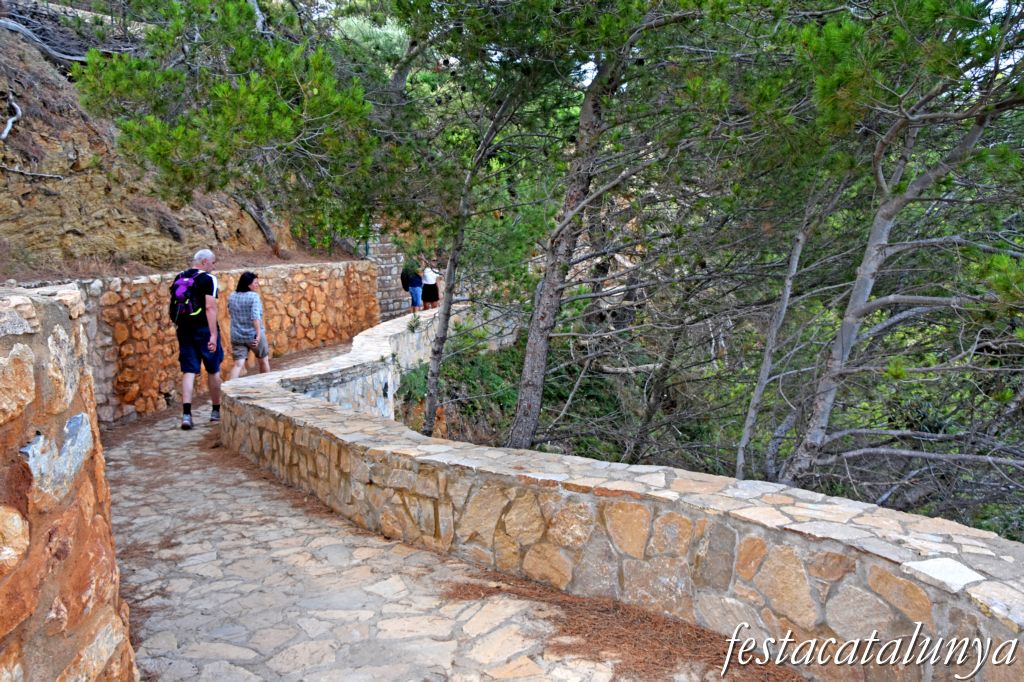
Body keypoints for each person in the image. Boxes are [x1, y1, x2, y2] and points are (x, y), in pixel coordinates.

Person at [169, 249, 223, 430]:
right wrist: (213, 334)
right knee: (213, 369)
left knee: (189, 371)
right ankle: (216, 411)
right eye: (213, 263)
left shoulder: (179, 276)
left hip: (184, 329)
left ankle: (186, 415)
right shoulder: (208, 279)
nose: (214, 266)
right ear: (205, 261)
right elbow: (210, 308)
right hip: (204, 329)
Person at [227, 271, 271, 380]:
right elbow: (255, 317)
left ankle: (230, 390)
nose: (257, 285)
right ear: (248, 284)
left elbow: (231, 312)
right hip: (253, 335)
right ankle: (267, 386)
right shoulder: (253, 297)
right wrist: (258, 334)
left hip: (237, 336)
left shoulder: (232, 296)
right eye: (255, 283)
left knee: (238, 364)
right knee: (263, 360)